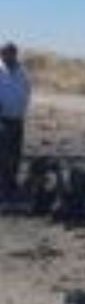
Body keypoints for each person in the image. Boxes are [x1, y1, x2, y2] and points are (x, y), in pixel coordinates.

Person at [0, 42, 31, 198]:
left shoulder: (22, 71)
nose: (9, 56)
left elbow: (27, 90)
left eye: (12, 53)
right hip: (2, 119)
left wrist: (23, 106)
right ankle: (3, 185)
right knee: (3, 154)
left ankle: (11, 183)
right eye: (5, 53)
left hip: (17, 119)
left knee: (15, 154)